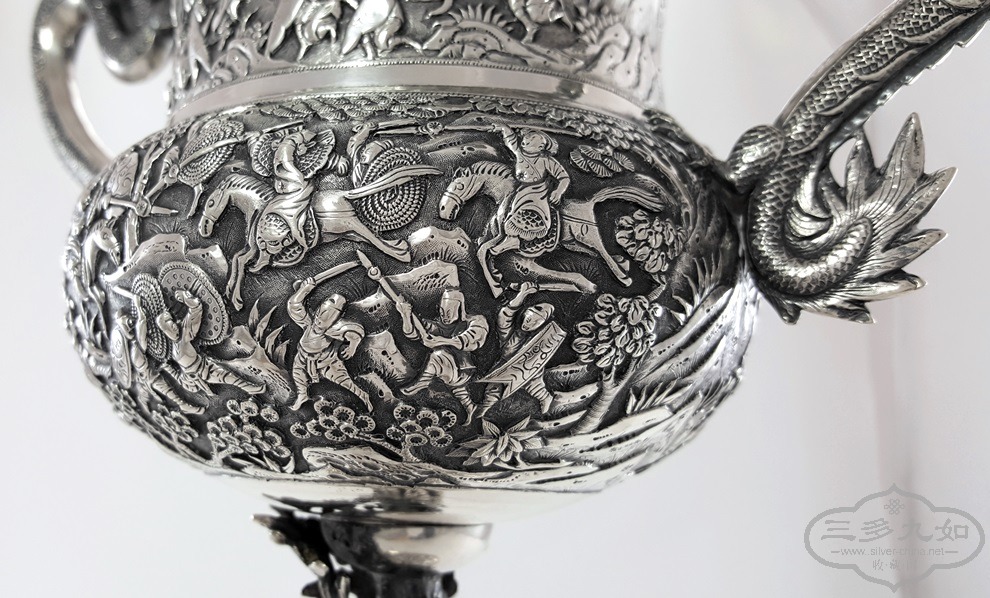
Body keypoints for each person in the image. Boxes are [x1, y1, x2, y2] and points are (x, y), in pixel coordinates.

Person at [396, 289, 490, 424]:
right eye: (442, 312)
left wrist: (442, 341)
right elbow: (413, 333)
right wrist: (406, 315)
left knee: (438, 355)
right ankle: (471, 408)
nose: (445, 316)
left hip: (463, 369)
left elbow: (471, 339)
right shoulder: (438, 326)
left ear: (460, 308)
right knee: (458, 389)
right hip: (452, 373)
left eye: (449, 312)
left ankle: (423, 381)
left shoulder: (475, 321)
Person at [157, 290, 267, 398]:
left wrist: (186, 298)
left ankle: (251, 388)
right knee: (225, 378)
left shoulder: (184, 332)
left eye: (173, 325)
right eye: (169, 328)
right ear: (165, 331)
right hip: (190, 378)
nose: (174, 328)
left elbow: (195, 310)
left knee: (227, 377)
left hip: (204, 368)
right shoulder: (173, 346)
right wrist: (170, 370)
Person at [480, 282, 564, 417]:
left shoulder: (538, 340)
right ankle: (485, 408)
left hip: (530, 364)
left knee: (534, 386)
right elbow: (505, 316)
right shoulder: (511, 333)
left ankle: (546, 398)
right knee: (493, 386)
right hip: (505, 362)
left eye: (535, 323)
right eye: (528, 319)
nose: (528, 324)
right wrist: (522, 294)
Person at [288, 278, 369, 411]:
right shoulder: (308, 323)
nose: (319, 321)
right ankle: (302, 395)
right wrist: (305, 289)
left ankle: (364, 398)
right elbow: (294, 305)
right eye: (318, 316)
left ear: (333, 321)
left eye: (324, 319)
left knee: (345, 382)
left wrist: (352, 346)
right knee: (298, 375)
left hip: (327, 362)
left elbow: (355, 332)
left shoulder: (333, 332)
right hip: (302, 357)